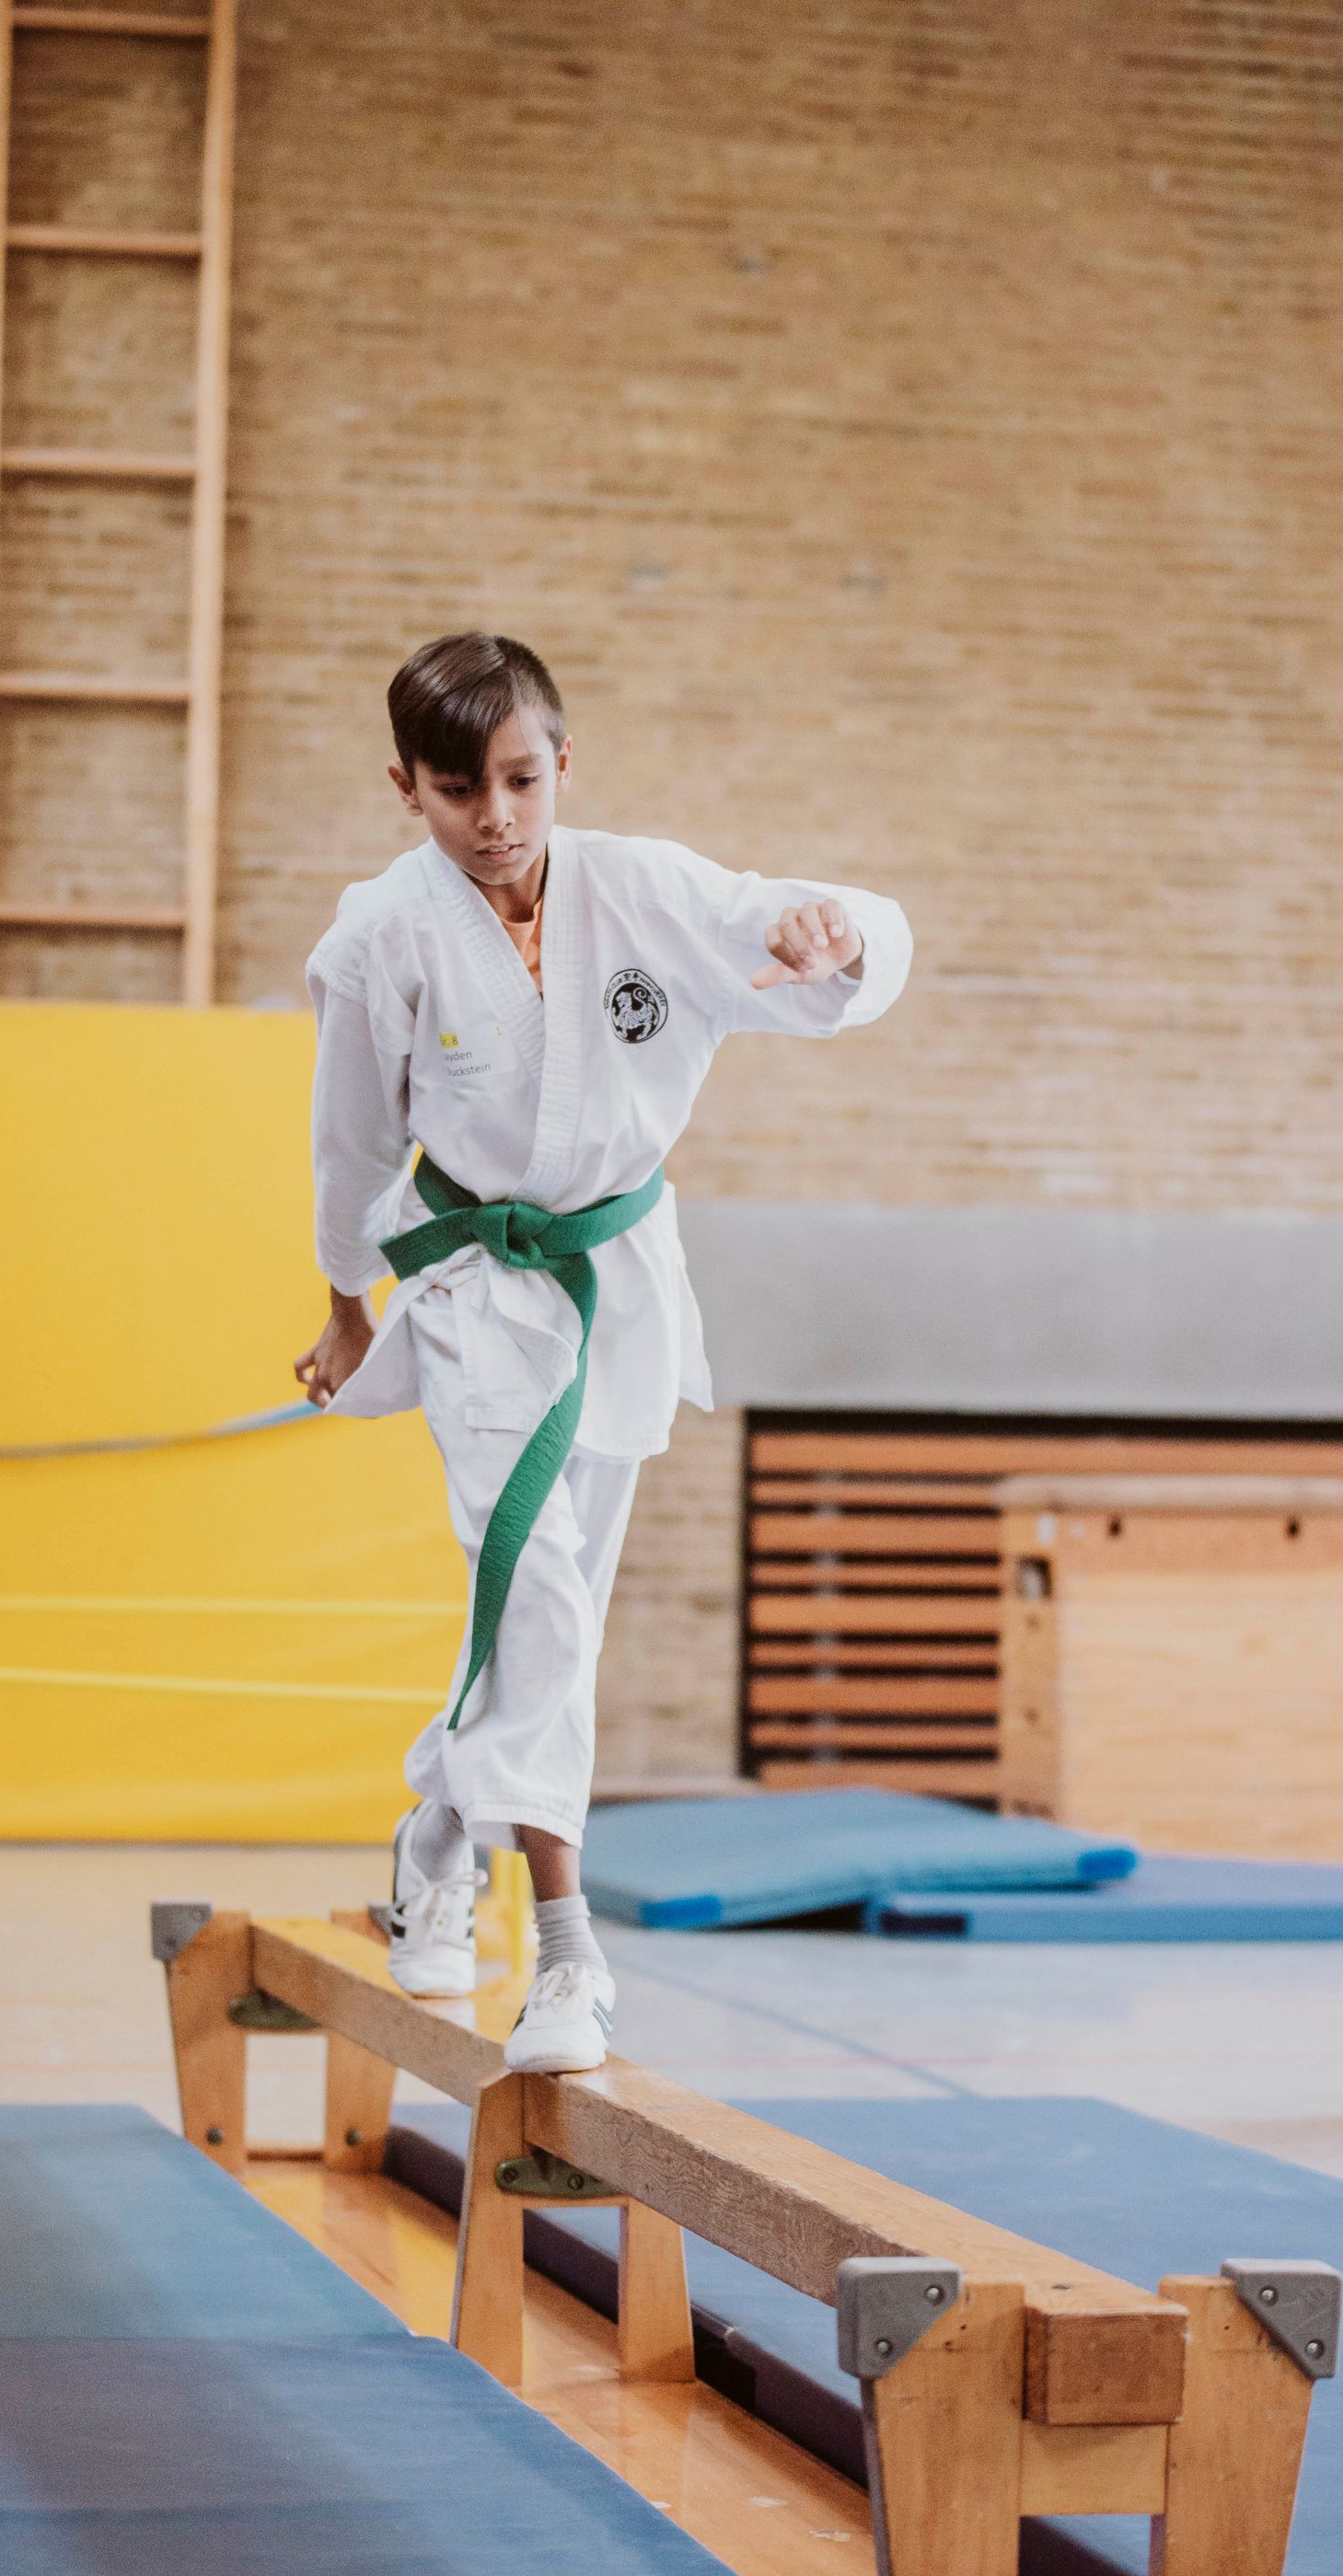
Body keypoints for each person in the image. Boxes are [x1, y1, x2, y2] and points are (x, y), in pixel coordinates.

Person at [296, 632, 912, 2072]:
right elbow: (351, 1145)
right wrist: (346, 1300)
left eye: (521, 780)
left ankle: (436, 1837)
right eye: (460, 790)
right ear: (406, 788)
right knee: (537, 1587)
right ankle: (569, 1948)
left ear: (564, 764)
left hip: (619, 1281)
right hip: (475, 1290)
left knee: (557, 1603)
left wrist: (837, 938)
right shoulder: (381, 938)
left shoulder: (645, 892)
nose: (496, 817)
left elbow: (819, 933)